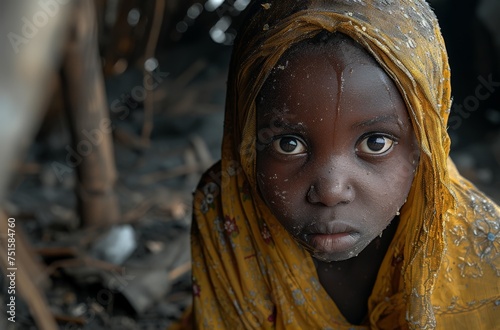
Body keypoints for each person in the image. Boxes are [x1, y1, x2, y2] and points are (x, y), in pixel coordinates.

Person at [174, 0, 500, 328]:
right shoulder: (229, 208)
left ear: (424, 144)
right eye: (288, 144)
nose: (331, 191)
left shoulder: (484, 254)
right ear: (245, 141)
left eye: (376, 143)